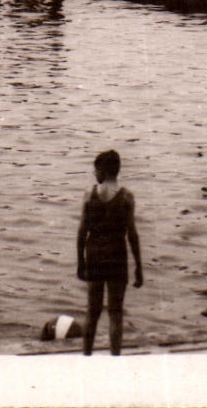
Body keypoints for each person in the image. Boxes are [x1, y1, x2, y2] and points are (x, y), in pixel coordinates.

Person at [76, 150, 142, 357]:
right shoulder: (126, 197)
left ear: (102, 171)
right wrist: (139, 266)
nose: (94, 174)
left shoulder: (89, 194)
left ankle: (86, 356)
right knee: (115, 313)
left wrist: (80, 261)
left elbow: (82, 231)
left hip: (94, 255)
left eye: (95, 170)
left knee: (92, 311)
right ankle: (115, 358)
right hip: (117, 257)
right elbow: (132, 234)